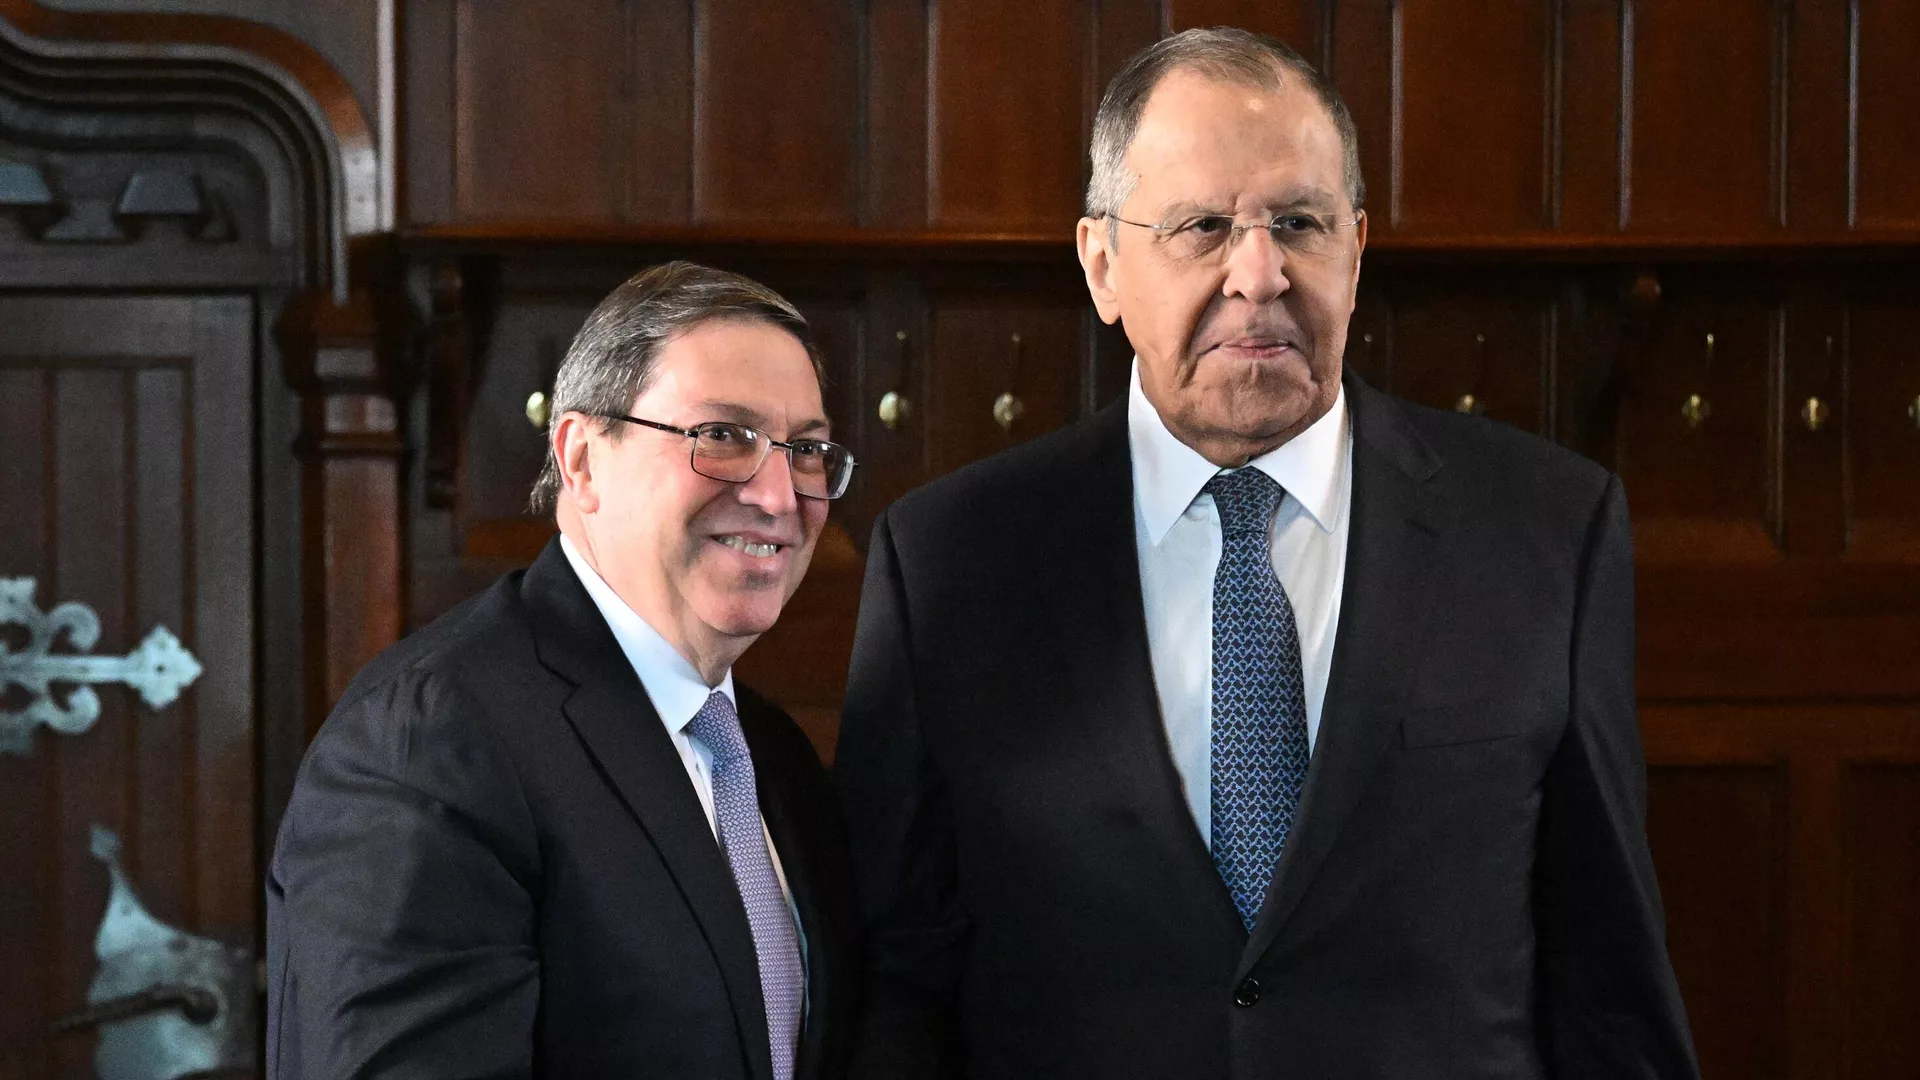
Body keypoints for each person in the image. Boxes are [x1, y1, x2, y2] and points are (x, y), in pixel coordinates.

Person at [835, 28, 1700, 1080]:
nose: (1261, 275)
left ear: (1357, 250)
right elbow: (900, 976)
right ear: (1102, 265)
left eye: (1300, 223)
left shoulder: (1545, 530)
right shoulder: (952, 561)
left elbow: (1609, 976)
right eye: (1203, 227)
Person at [267, 262, 860, 1080]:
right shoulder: (430, 741)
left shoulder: (773, 754)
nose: (780, 496)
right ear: (581, 459)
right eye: (724, 437)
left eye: (807, 450)